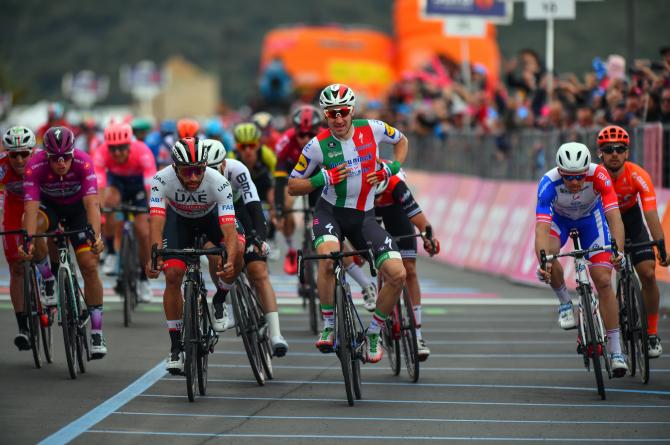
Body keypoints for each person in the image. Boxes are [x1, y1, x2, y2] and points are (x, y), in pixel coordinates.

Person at [287, 83, 409, 363]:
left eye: (343, 112)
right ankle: (329, 323)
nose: (338, 119)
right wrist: (323, 179)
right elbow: (293, 186)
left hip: (364, 217)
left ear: (352, 110)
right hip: (329, 213)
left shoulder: (374, 128)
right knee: (328, 259)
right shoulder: (316, 146)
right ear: (325, 115)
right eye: (332, 114)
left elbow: (402, 142)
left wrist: (392, 168)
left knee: (398, 274)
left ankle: (375, 332)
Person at [145, 137, 243, 373]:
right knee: (173, 275)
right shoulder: (160, 180)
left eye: (198, 171)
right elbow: (157, 223)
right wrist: (154, 256)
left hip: (210, 221)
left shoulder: (218, 182)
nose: (193, 178)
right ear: (175, 168)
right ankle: (176, 346)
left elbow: (228, 228)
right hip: (180, 223)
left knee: (235, 250)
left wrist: (229, 259)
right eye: (187, 172)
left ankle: (220, 299)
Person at [535, 142, 628, 377]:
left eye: (579, 177)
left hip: (591, 221)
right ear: (560, 172)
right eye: (568, 177)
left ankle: (616, 350)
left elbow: (614, 216)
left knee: (604, 281)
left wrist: (619, 251)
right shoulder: (548, 183)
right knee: (550, 255)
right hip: (561, 220)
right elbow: (541, 230)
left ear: (586, 170)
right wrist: (544, 261)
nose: (575, 183)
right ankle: (565, 303)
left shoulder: (599, 175)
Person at [20, 127, 107, 358]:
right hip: (50, 209)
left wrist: (96, 237)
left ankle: (97, 331)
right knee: (34, 228)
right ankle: (47, 278)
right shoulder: (35, 165)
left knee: (89, 264)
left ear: (72, 153)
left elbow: (92, 205)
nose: (61, 162)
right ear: (46, 155)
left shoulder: (83, 162)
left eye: (66, 157)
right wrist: (27, 240)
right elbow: (29, 208)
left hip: (77, 209)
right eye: (55, 158)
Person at [205, 139, 288, 356]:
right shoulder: (199, 177)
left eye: (215, 169)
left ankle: (276, 334)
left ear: (223, 164)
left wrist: (260, 239)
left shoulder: (237, 170)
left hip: (242, 214)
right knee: (215, 257)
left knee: (258, 272)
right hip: (216, 220)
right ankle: (226, 301)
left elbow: (255, 207)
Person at [597, 125, 667, 358]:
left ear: (627, 153)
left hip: (633, 220)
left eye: (619, 149)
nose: (614, 153)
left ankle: (652, 333)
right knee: (604, 278)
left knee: (647, 273)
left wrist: (660, 244)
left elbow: (650, 213)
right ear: (601, 154)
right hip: (605, 221)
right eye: (609, 149)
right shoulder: (595, 176)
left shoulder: (638, 175)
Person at [374, 169, 441, 360]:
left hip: (396, 212)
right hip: (369, 214)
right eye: (375, 195)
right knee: (374, 261)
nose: (378, 199)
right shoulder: (363, 186)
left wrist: (429, 239)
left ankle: (418, 336)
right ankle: (377, 325)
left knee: (409, 270)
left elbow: (420, 220)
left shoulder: (396, 185)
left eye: (380, 195)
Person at [1, 126, 55, 350]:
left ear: (33, 152)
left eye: (24, 153)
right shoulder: (2, 168)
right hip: (14, 205)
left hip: (41, 201)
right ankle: (23, 327)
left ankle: (48, 278)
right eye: (14, 154)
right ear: (7, 154)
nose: (20, 159)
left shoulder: (43, 162)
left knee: (35, 230)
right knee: (16, 267)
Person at [93, 122, 156, 302]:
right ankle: (112, 251)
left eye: (122, 148)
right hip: (117, 183)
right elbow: (100, 186)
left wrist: (152, 207)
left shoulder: (142, 151)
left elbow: (150, 184)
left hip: (138, 186)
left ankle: (144, 280)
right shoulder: (101, 152)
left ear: (130, 144)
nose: (118, 153)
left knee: (143, 232)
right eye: (113, 149)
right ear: (107, 147)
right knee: (110, 202)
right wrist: (100, 206)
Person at [229, 123, 279, 259]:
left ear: (258, 144)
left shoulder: (267, 154)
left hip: (263, 188)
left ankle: (271, 238)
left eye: (251, 145)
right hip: (239, 193)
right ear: (236, 147)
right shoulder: (231, 157)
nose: (247, 151)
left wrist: (275, 206)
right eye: (242, 147)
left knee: (274, 208)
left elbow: (276, 181)